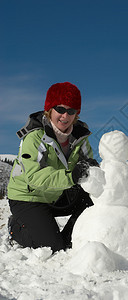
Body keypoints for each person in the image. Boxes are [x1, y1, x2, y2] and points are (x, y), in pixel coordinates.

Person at [7, 81, 99, 252]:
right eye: (60, 109)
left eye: (71, 111)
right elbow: (34, 177)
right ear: (50, 110)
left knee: (93, 203)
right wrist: (71, 176)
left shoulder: (80, 138)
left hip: (55, 194)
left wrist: (93, 171)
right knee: (51, 246)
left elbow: (88, 169)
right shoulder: (34, 137)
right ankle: (15, 228)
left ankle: (69, 237)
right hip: (28, 198)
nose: (65, 116)